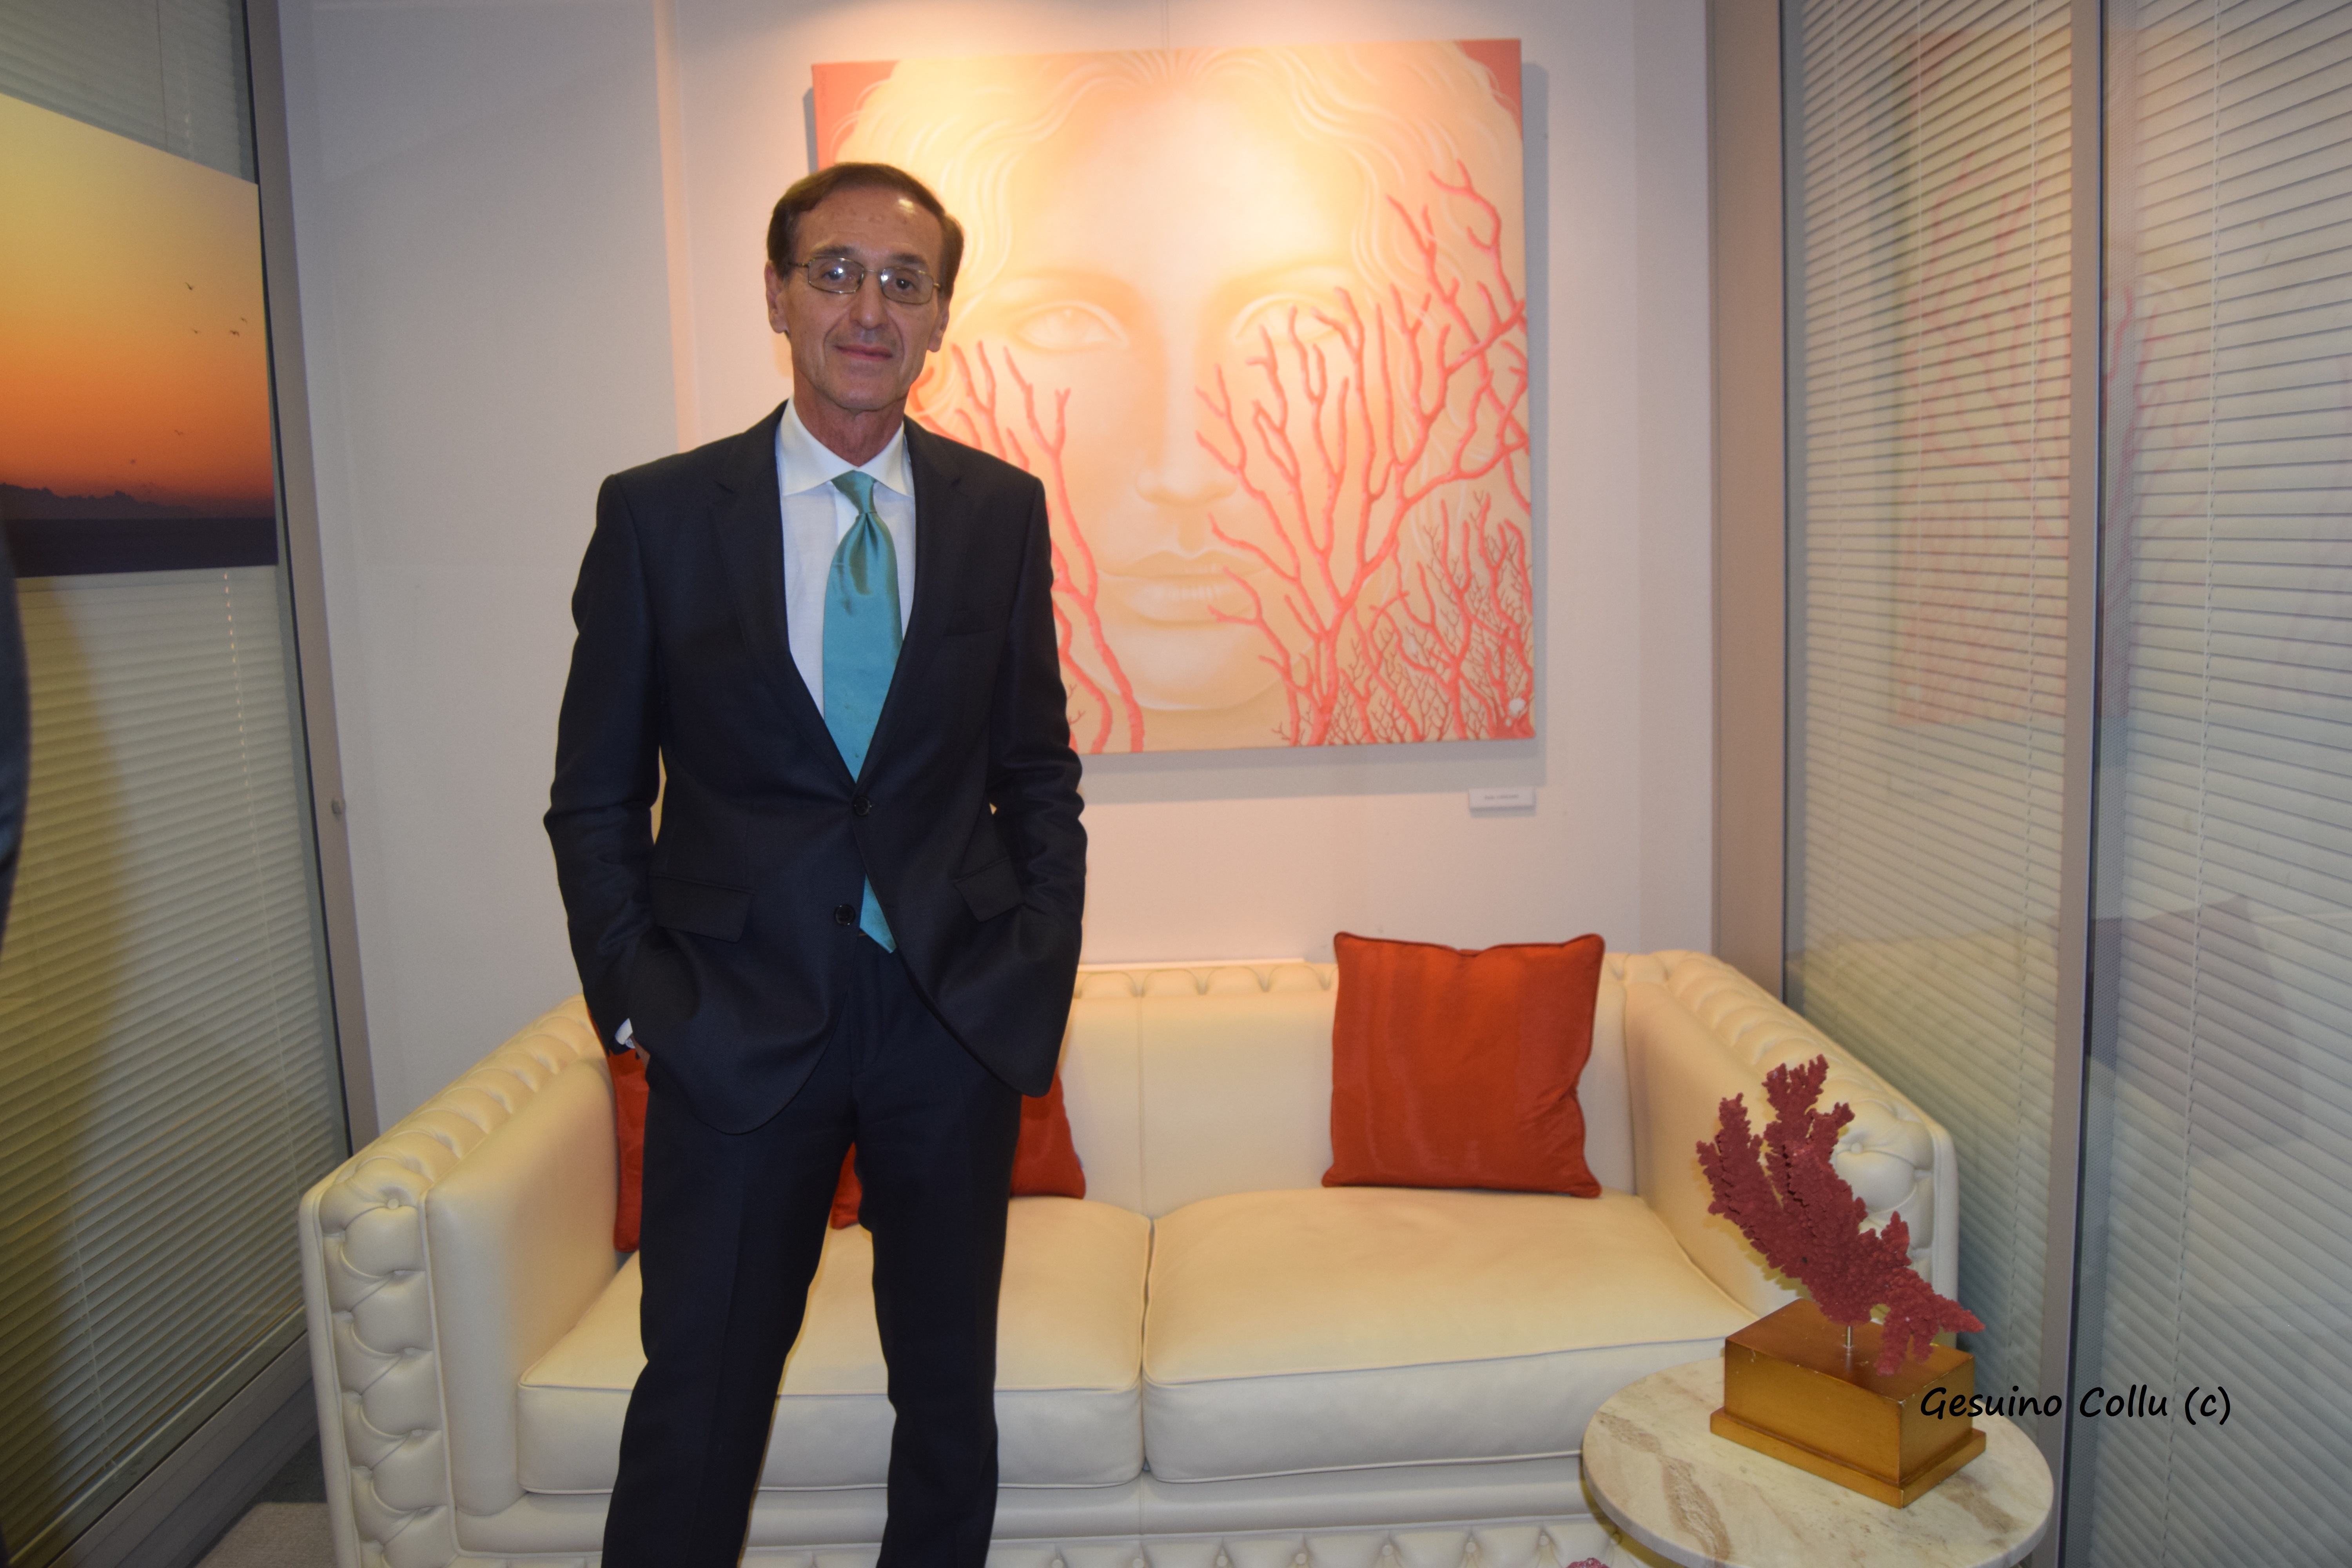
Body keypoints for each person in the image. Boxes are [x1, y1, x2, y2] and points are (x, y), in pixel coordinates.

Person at [545, 161, 1086, 1568]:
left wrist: (1032, 967)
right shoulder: (661, 516)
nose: (868, 309)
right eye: (835, 272)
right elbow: (595, 795)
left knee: (948, 1407)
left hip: (947, 1020)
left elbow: (1038, 773)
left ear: (941, 318)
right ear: (778, 296)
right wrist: (640, 1001)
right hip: (734, 1022)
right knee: (699, 1407)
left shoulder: (999, 511)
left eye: (905, 283)